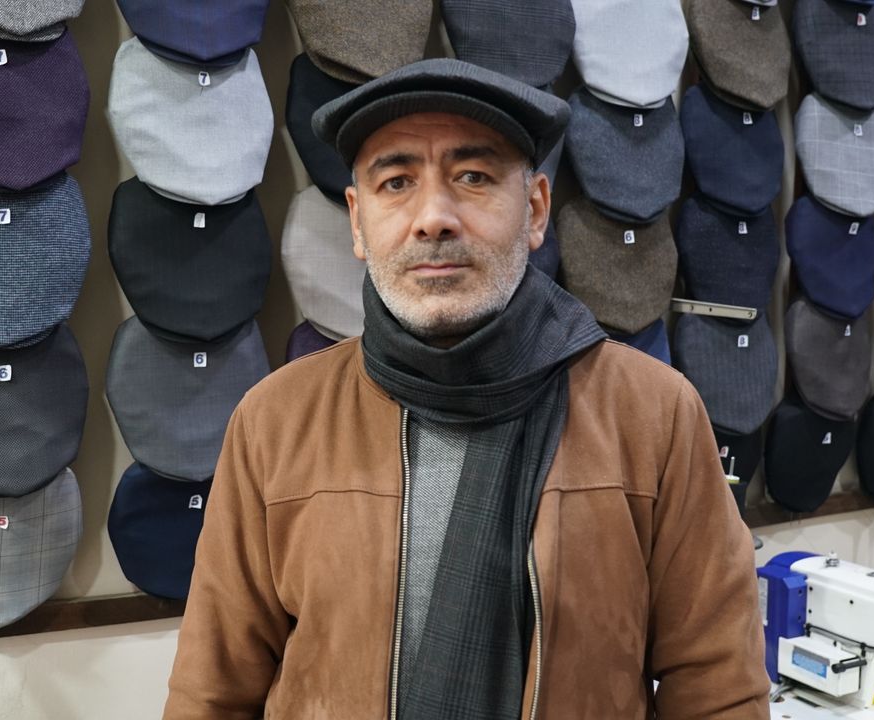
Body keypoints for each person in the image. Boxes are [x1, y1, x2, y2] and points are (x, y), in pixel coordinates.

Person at [164, 59, 769, 719]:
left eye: (473, 177)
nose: (433, 218)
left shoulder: (652, 415)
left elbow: (717, 690)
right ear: (358, 223)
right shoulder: (275, 422)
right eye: (396, 182)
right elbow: (213, 693)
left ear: (535, 209)